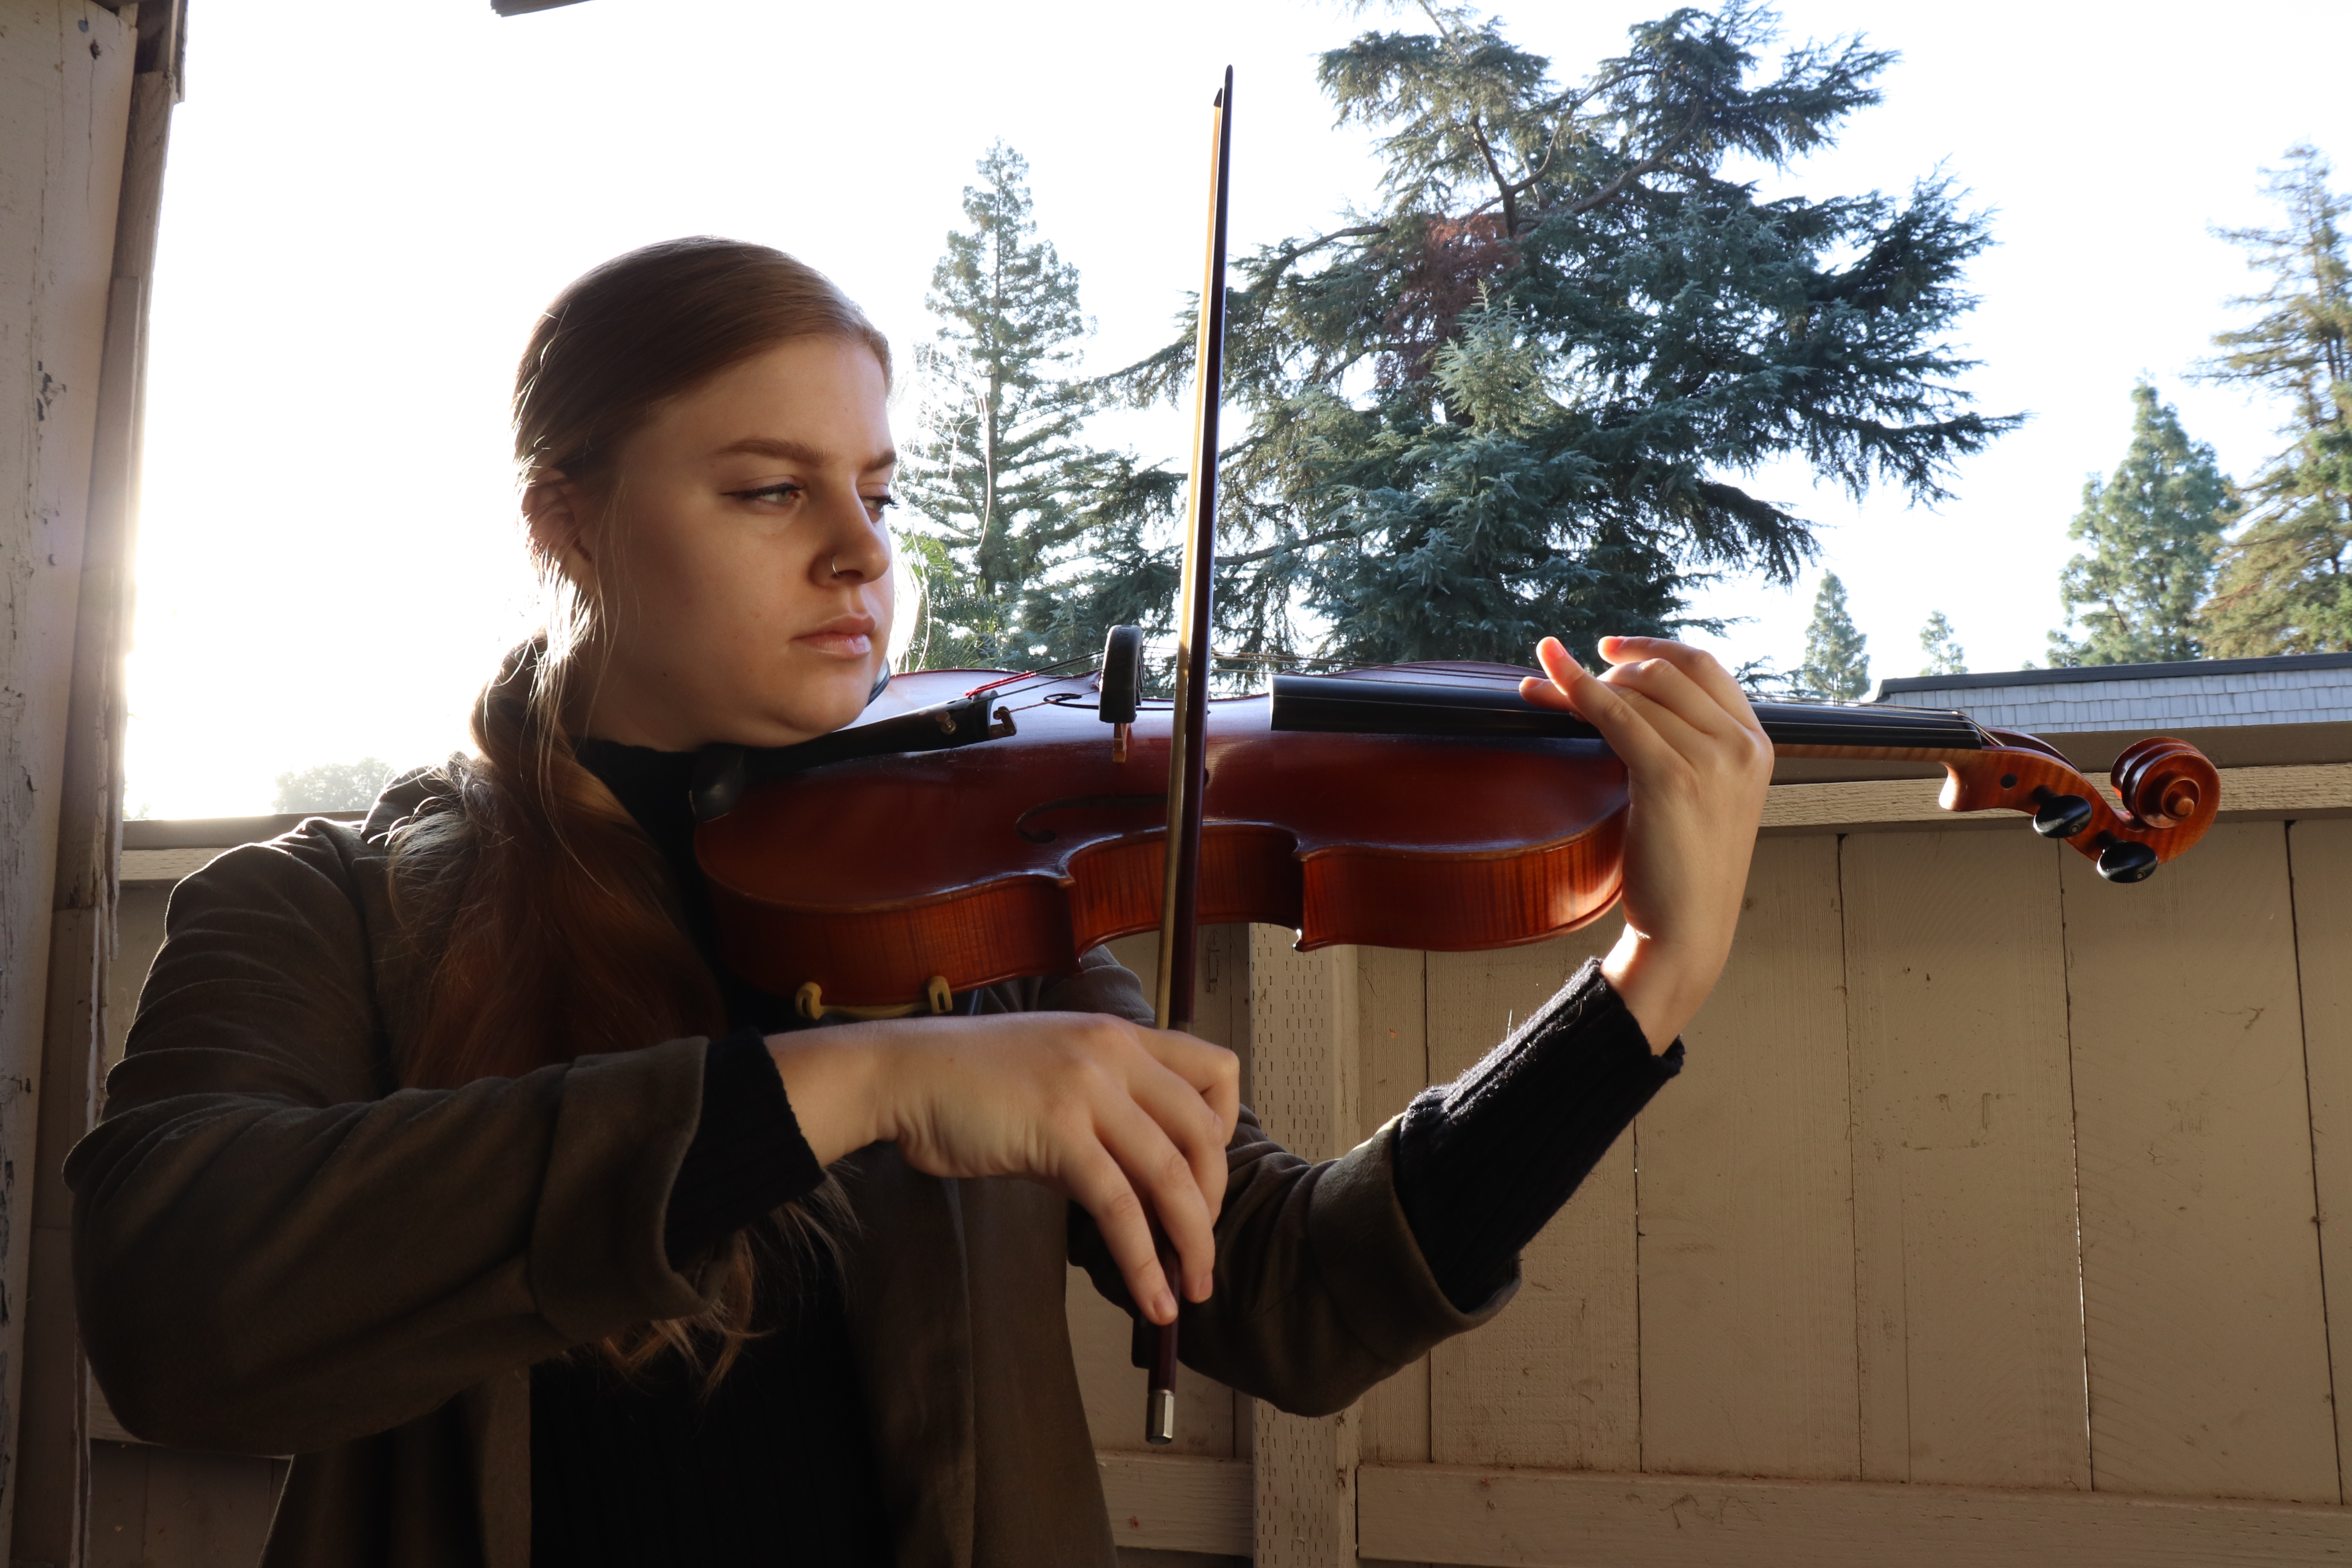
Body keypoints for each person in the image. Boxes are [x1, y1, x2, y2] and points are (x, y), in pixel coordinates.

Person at [68, 237, 1773, 1568]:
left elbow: (1289, 1288)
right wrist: (854, 1085)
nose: (860, 555)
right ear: (566, 524)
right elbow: (174, 1305)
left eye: (876, 490)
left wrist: (1645, 986)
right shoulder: (323, 909)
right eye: (770, 489)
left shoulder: (952, 895)